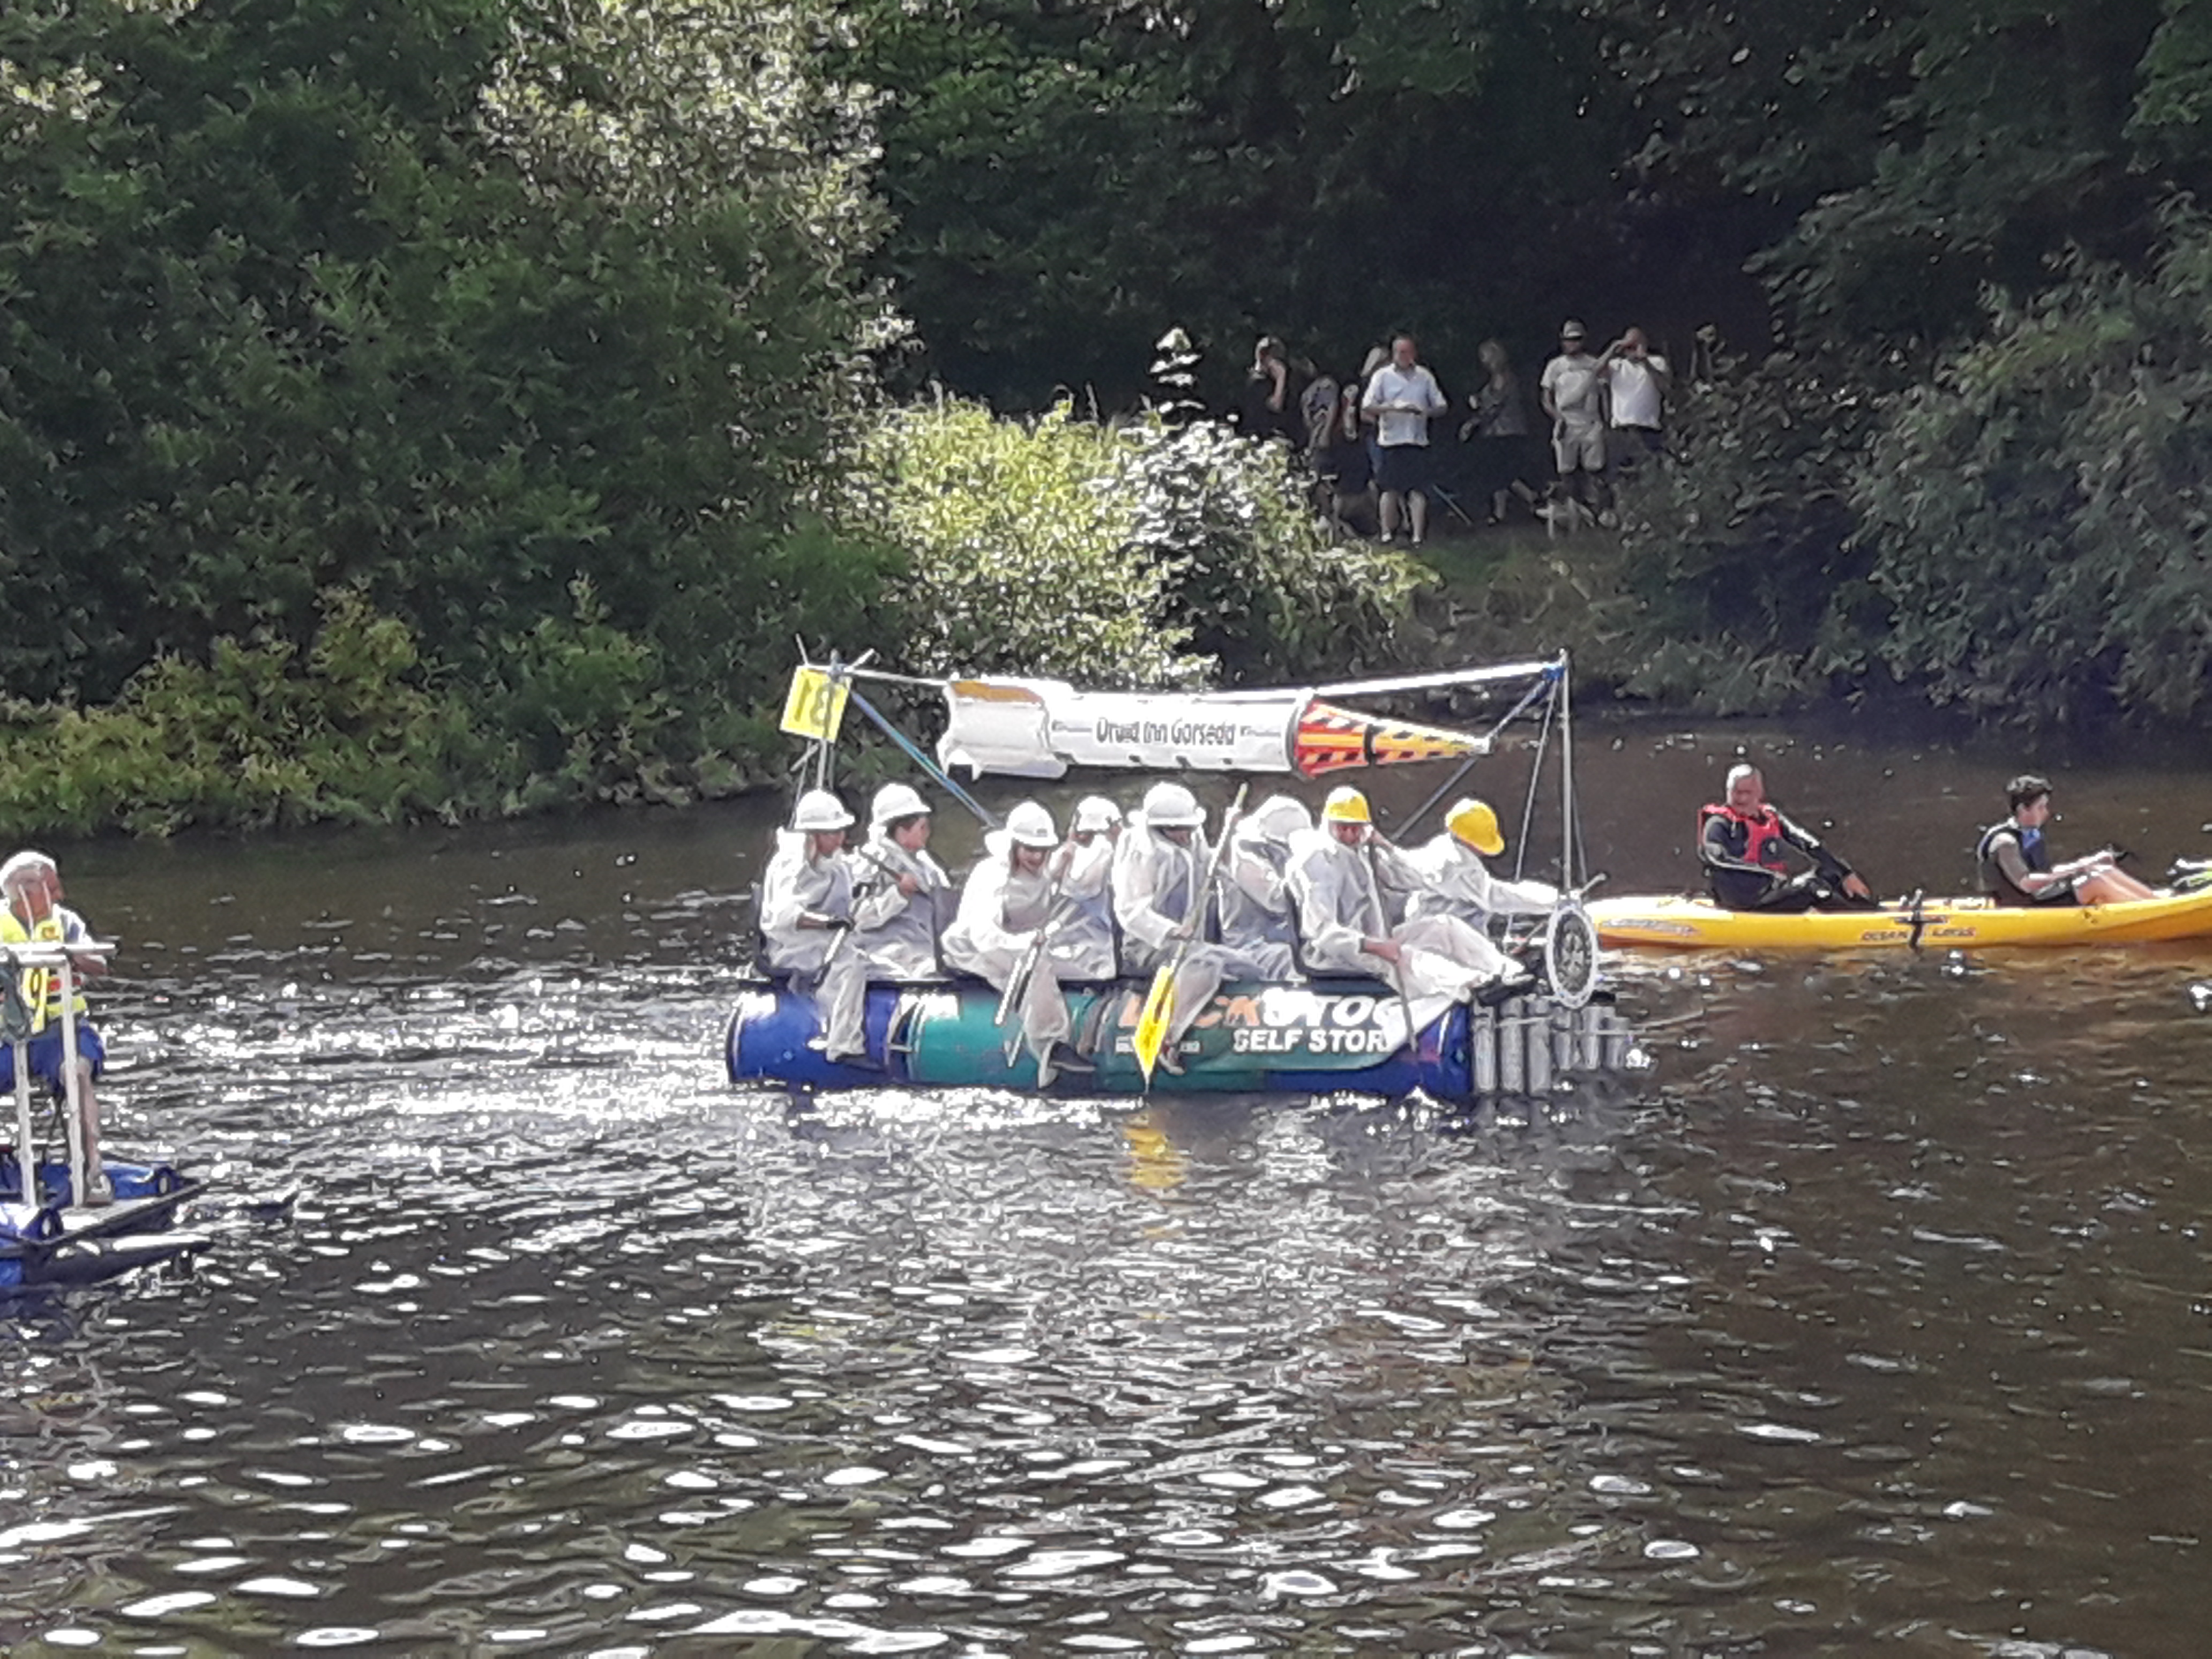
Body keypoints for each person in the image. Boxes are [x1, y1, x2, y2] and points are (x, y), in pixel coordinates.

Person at [1287, 787, 1526, 1033]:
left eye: (1356, 827)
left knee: (1442, 926)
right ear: (1328, 823)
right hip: (1340, 954)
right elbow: (1321, 933)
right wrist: (1374, 946)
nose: (1349, 834)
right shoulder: (1316, 861)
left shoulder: (1361, 852)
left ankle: (1507, 971)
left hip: (1375, 939)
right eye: (1342, 827)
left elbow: (1412, 878)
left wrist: (1386, 847)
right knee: (1409, 957)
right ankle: (1475, 985)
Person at [1112, 782, 1278, 1072]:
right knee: (1206, 961)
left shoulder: (1193, 840)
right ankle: (1168, 1037)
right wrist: (1170, 931)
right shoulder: (1141, 851)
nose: (1185, 835)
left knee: (1247, 965)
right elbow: (1130, 910)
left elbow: (1215, 866)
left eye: (1189, 828)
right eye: (1177, 830)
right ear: (1158, 828)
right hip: (1148, 947)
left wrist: (1228, 835)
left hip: (1192, 945)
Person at [942, 802, 1097, 1087]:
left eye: (1043, 850)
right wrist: (1023, 942)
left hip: (1026, 944)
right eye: (1029, 850)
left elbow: (1054, 874)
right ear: (1014, 846)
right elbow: (984, 935)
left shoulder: (1042, 871)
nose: (1037, 857)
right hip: (978, 949)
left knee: (1081, 963)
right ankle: (1050, 1045)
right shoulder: (993, 876)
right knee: (1036, 967)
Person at [0, 851, 111, 1203]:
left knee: (76, 1072)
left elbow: (99, 964)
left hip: (59, 1031)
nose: (60, 896)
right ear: (25, 892)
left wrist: (69, 954)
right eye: (52, 888)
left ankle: (92, 1172)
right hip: (6, 1035)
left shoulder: (66, 922)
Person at [759, 789, 870, 1062]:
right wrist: (828, 922)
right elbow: (785, 915)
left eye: (841, 831)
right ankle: (842, 1044)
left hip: (827, 942)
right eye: (832, 833)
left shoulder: (834, 862)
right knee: (853, 965)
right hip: (792, 945)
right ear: (812, 835)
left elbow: (848, 883)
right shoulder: (791, 864)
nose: (840, 838)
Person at [1698, 764, 1874, 913]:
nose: (1742, 799)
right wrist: (1768, 874)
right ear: (1728, 792)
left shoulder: (1770, 817)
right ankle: (1857, 923)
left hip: (1769, 892)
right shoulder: (1719, 823)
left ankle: (1867, 912)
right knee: (1812, 888)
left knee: (1828, 875)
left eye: (1748, 793)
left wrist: (1846, 873)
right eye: (1737, 793)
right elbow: (1716, 858)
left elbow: (1808, 844)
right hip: (1741, 900)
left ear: (1760, 792)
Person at [1977, 775, 2155, 908]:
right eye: (2041, 807)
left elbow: (2047, 874)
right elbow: (2027, 883)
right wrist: (2079, 868)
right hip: (2023, 905)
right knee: (2094, 880)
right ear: (2023, 809)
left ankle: (2154, 904)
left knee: (2103, 870)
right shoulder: (2005, 842)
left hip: (2041, 896)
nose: (2046, 812)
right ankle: (2146, 912)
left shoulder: (2028, 834)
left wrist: (2086, 863)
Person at [1403, 798, 1561, 934]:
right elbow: (1494, 897)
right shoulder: (1456, 864)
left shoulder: (1441, 849)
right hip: (1441, 943)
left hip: (1429, 932)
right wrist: (1554, 901)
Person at [851, 780, 952, 977]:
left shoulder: (927, 867)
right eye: (922, 827)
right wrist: (897, 896)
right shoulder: (869, 864)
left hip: (925, 956)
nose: (927, 834)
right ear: (902, 828)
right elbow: (855, 917)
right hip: (885, 958)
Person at [1359, 333, 1448, 546]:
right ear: (1393, 354)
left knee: (1417, 490)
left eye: (1408, 352)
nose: (1404, 356)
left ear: (1414, 353)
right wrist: (1393, 408)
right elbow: (1367, 405)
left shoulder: (1424, 376)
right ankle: (1387, 533)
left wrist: (1425, 412)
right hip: (1391, 440)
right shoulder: (1382, 376)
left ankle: (1418, 535)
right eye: (1400, 352)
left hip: (1417, 440)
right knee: (1389, 488)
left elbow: (1442, 406)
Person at [1216, 794, 1308, 979]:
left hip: (1282, 942)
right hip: (1249, 947)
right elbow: (1277, 900)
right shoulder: (1243, 858)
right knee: (1294, 961)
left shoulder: (1280, 860)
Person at [1538, 319, 1608, 525]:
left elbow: (1604, 394)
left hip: (1591, 421)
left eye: (1576, 340)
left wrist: (1606, 421)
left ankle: (1597, 512)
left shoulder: (1594, 364)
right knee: (1566, 470)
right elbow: (1546, 398)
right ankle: (1572, 511)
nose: (1572, 344)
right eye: (1568, 340)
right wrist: (1557, 417)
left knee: (1594, 468)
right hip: (1566, 422)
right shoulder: (1556, 366)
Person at [1461, 339, 1536, 525]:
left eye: (1485, 356)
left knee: (1504, 473)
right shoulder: (1494, 379)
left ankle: (1533, 497)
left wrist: (1472, 422)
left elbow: (1495, 406)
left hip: (1507, 432)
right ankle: (1499, 514)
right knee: (1496, 474)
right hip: (1495, 433)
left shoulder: (1503, 378)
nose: (1482, 360)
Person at [1054, 796, 1124, 973]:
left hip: (1053, 955)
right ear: (1113, 826)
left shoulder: (1060, 854)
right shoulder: (1106, 853)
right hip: (1095, 961)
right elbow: (1085, 888)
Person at [1598, 326, 1670, 468]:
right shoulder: (1617, 365)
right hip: (1622, 429)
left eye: (1636, 346)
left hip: (1649, 428)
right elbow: (1594, 372)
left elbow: (1666, 387)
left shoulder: (1657, 362)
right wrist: (1613, 348)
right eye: (1629, 347)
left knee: (1653, 470)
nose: (1632, 351)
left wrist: (1646, 364)